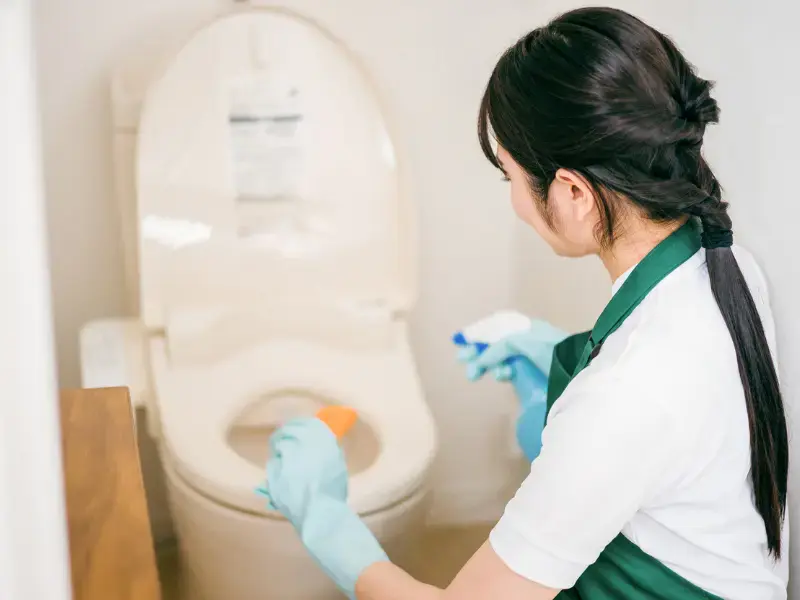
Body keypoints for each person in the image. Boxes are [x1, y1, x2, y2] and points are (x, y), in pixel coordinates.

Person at [262, 7, 790, 600]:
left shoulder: (623, 398)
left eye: (508, 176)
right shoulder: (726, 265)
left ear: (571, 192)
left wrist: (325, 522)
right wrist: (558, 358)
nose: (513, 199)